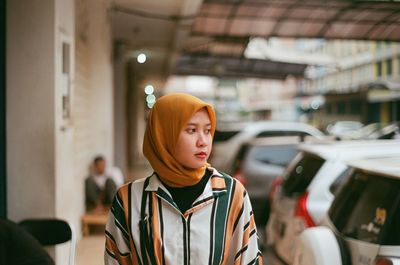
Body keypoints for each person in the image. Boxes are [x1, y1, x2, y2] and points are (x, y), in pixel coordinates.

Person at [104, 93, 263, 264]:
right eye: (192, 130)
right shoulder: (129, 200)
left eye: (208, 130)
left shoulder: (232, 195)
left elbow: (249, 260)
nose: (203, 141)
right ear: (164, 135)